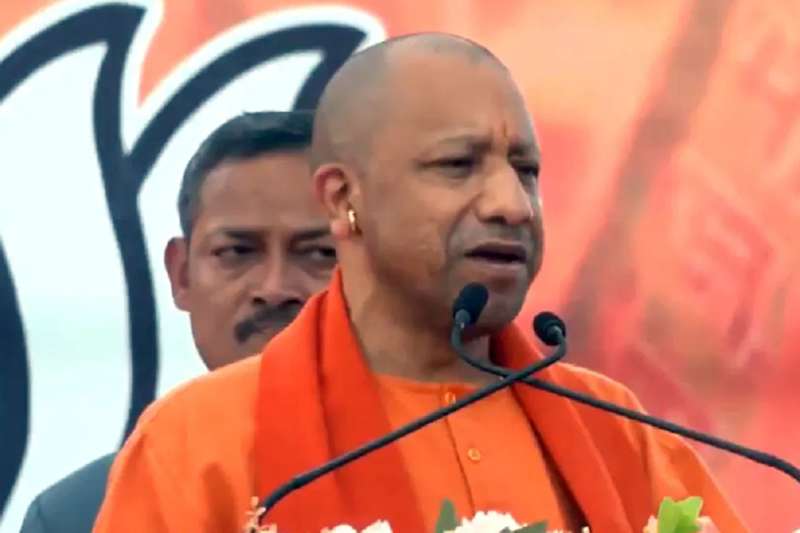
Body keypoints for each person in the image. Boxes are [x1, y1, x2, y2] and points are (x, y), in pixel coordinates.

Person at [92, 34, 748, 533]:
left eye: (525, 170)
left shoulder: (615, 430)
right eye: (458, 165)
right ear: (344, 199)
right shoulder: (198, 441)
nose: (511, 205)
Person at [21, 110, 334, 533]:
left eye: (319, 253)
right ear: (181, 275)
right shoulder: (74, 516)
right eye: (237, 252)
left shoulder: (424, 465)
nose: (275, 288)